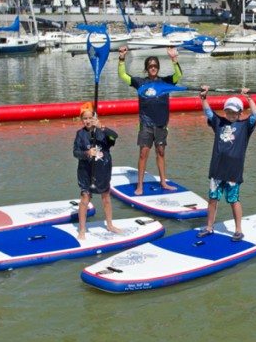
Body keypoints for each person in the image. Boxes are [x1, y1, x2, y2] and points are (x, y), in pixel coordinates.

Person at [117, 44, 182, 195]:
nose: (153, 68)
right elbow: (123, 76)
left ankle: (164, 182)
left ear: (158, 68)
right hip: (145, 124)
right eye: (150, 66)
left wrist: (174, 59)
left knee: (161, 152)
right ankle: (139, 185)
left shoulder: (165, 82)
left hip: (161, 124)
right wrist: (121, 58)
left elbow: (178, 75)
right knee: (143, 154)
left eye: (155, 66)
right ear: (146, 69)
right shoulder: (140, 82)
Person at [197, 87, 256, 241]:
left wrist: (248, 98)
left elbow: (255, 115)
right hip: (217, 171)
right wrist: (204, 98)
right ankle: (209, 227)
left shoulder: (245, 126)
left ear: (240, 113)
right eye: (228, 111)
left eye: (234, 112)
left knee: (233, 200)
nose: (231, 114)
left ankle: (238, 230)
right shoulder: (219, 123)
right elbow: (208, 112)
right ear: (225, 112)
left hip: (233, 172)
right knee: (213, 199)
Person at [72, 102, 121, 238]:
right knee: (85, 198)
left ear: (94, 117)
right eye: (85, 119)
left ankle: (110, 225)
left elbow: (115, 136)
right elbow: (75, 152)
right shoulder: (80, 134)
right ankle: (82, 229)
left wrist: (102, 127)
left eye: (90, 118)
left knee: (106, 197)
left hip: (102, 170)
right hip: (86, 172)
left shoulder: (102, 131)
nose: (87, 121)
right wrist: (87, 153)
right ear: (82, 120)